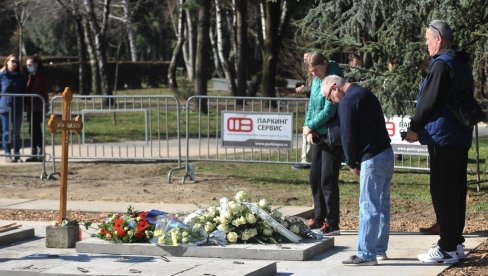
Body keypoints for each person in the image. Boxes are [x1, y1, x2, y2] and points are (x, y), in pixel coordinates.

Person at [405, 20, 473, 264]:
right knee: (455, 191)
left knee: (443, 191)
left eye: (427, 39)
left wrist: (414, 128)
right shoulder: (461, 62)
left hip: (443, 136)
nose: (426, 44)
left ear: (439, 39)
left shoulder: (441, 64)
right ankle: (454, 244)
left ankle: (446, 247)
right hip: (458, 136)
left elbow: (428, 101)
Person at [321, 75, 394, 266]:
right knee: (382, 205)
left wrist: (351, 162)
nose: (332, 101)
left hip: (371, 157)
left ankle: (366, 254)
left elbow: (347, 134)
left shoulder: (347, 101)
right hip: (386, 153)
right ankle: (379, 250)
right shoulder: (365, 93)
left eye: (329, 97)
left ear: (335, 87)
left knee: (368, 205)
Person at [303, 52, 344, 235]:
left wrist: (311, 125)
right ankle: (318, 217)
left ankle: (332, 221)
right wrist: (308, 127)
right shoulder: (316, 80)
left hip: (330, 135)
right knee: (315, 178)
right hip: (317, 135)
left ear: (325, 64)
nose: (315, 74)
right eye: (312, 72)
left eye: (317, 70)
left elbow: (329, 110)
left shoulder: (333, 79)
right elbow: (312, 105)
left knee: (328, 178)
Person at [0, 54, 26, 162]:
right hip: (5, 107)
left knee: (16, 132)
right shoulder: (2, 76)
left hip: (18, 107)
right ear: (7, 62)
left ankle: (16, 153)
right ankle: (7, 153)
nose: (14, 63)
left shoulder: (21, 76)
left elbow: (24, 90)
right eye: (12, 61)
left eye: (16, 62)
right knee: (6, 132)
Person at [25, 54, 49, 162]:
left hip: (37, 106)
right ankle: (35, 151)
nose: (28, 67)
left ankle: (39, 151)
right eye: (27, 65)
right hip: (32, 107)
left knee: (35, 129)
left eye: (30, 65)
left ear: (36, 64)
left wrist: (26, 99)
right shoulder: (32, 76)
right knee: (32, 129)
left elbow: (35, 91)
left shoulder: (39, 77)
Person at [293, 52, 312, 169]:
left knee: (307, 132)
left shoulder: (316, 73)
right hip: (309, 107)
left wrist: (305, 89)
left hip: (313, 108)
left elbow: (318, 89)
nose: (305, 61)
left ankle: (306, 161)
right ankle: (306, 159)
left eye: (307, 58)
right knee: (306, 133)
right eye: (304, 59)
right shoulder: (309, 73)